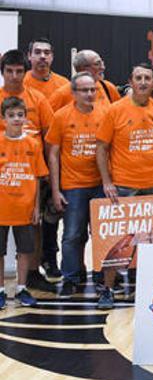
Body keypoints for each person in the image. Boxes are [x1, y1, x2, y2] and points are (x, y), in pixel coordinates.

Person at [95, 63, 153, 308]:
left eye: (147, 78)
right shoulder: (115, 110)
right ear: (130, 80)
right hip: (123, 186)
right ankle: (107, 290)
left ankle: (146, 288)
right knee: (117, 242)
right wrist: (107, 181)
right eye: (138, 77)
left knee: (152, 241)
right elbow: (101, 148)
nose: (143, 82)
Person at [46, 72, 108, 297]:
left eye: (93, 89)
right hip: (73, 185)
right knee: (72, 234)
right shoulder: (61, 116)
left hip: (101, 184)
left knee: (102, 234)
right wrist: (55, 190)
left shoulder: (105, 113)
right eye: (84, 90)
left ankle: (102, 276)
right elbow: (53, 155)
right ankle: (71, 277)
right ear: (73, 93)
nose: (90, 94)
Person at [0, 50, 54, 291]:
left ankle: (31, 275)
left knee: (35, 226)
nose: (14, 76)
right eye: (9, 71)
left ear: (25, 72)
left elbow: (51, 139)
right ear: (2, 73)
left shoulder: (38, 99)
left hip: (30, 173)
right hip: (4, 177)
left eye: (19, 71)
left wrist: (52, 177)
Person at [0, 96, 48, 308]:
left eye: (20, 115)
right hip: (2, 207)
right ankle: (1, 289)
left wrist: (37, 206)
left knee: (25, 250)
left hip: (26, 207)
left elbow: (37, 177)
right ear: (4, 118)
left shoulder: (33, 143)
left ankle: (21, 288)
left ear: (26, 117)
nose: (16, 119)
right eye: (11, 116)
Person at [48, 50, 120, 111]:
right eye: (97, 64)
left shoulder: (108, 87)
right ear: (82, 68)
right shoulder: (62, 94)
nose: (103, 67)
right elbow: (49, 122)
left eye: (102, 63)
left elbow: (118, 115)